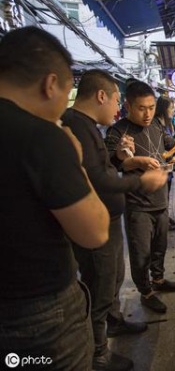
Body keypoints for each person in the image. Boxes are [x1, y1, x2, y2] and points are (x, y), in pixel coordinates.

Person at [0, 27, 109, 368]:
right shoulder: (44, 136)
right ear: (50, 85)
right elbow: (94, 233)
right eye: (67, 94)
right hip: (38, 317)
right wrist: (75, 159)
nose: (65, 108)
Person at [62, 70, 168, 371]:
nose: (117, 107)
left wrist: (121, 158)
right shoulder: (78, 127)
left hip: (109, 218)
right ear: (101, 96)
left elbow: (104, 168)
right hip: (97, 224)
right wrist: (139, 180)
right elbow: (97, 178)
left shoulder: (87, 126)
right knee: (100, 284)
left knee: (112, 279)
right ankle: (99, 354)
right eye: (118, 101)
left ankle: (115, 320)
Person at [105, 81, 175, 314]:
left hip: (161, 201)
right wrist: (129, 159)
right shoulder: (117, 132)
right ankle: (146, 292)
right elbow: (112, 163)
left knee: (160, 246)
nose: (148, 113)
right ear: (128, 106)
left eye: (151, 107)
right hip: (137, 205)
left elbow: (172, 147)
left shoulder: (155, 126)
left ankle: (159, 279)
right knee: (140, 251)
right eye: (142, 108)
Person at [155, 96, 175, 230]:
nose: (173, 110)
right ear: (164, 109)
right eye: (171, 108)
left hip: (168, 165)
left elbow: (171, 142)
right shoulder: (157, 125)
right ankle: (162, 222)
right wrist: (174, 151)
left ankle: (166, 218)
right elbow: (168, 146)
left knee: (166, 194)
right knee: (162, 195)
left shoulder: (165, 123)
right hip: (161, 166)